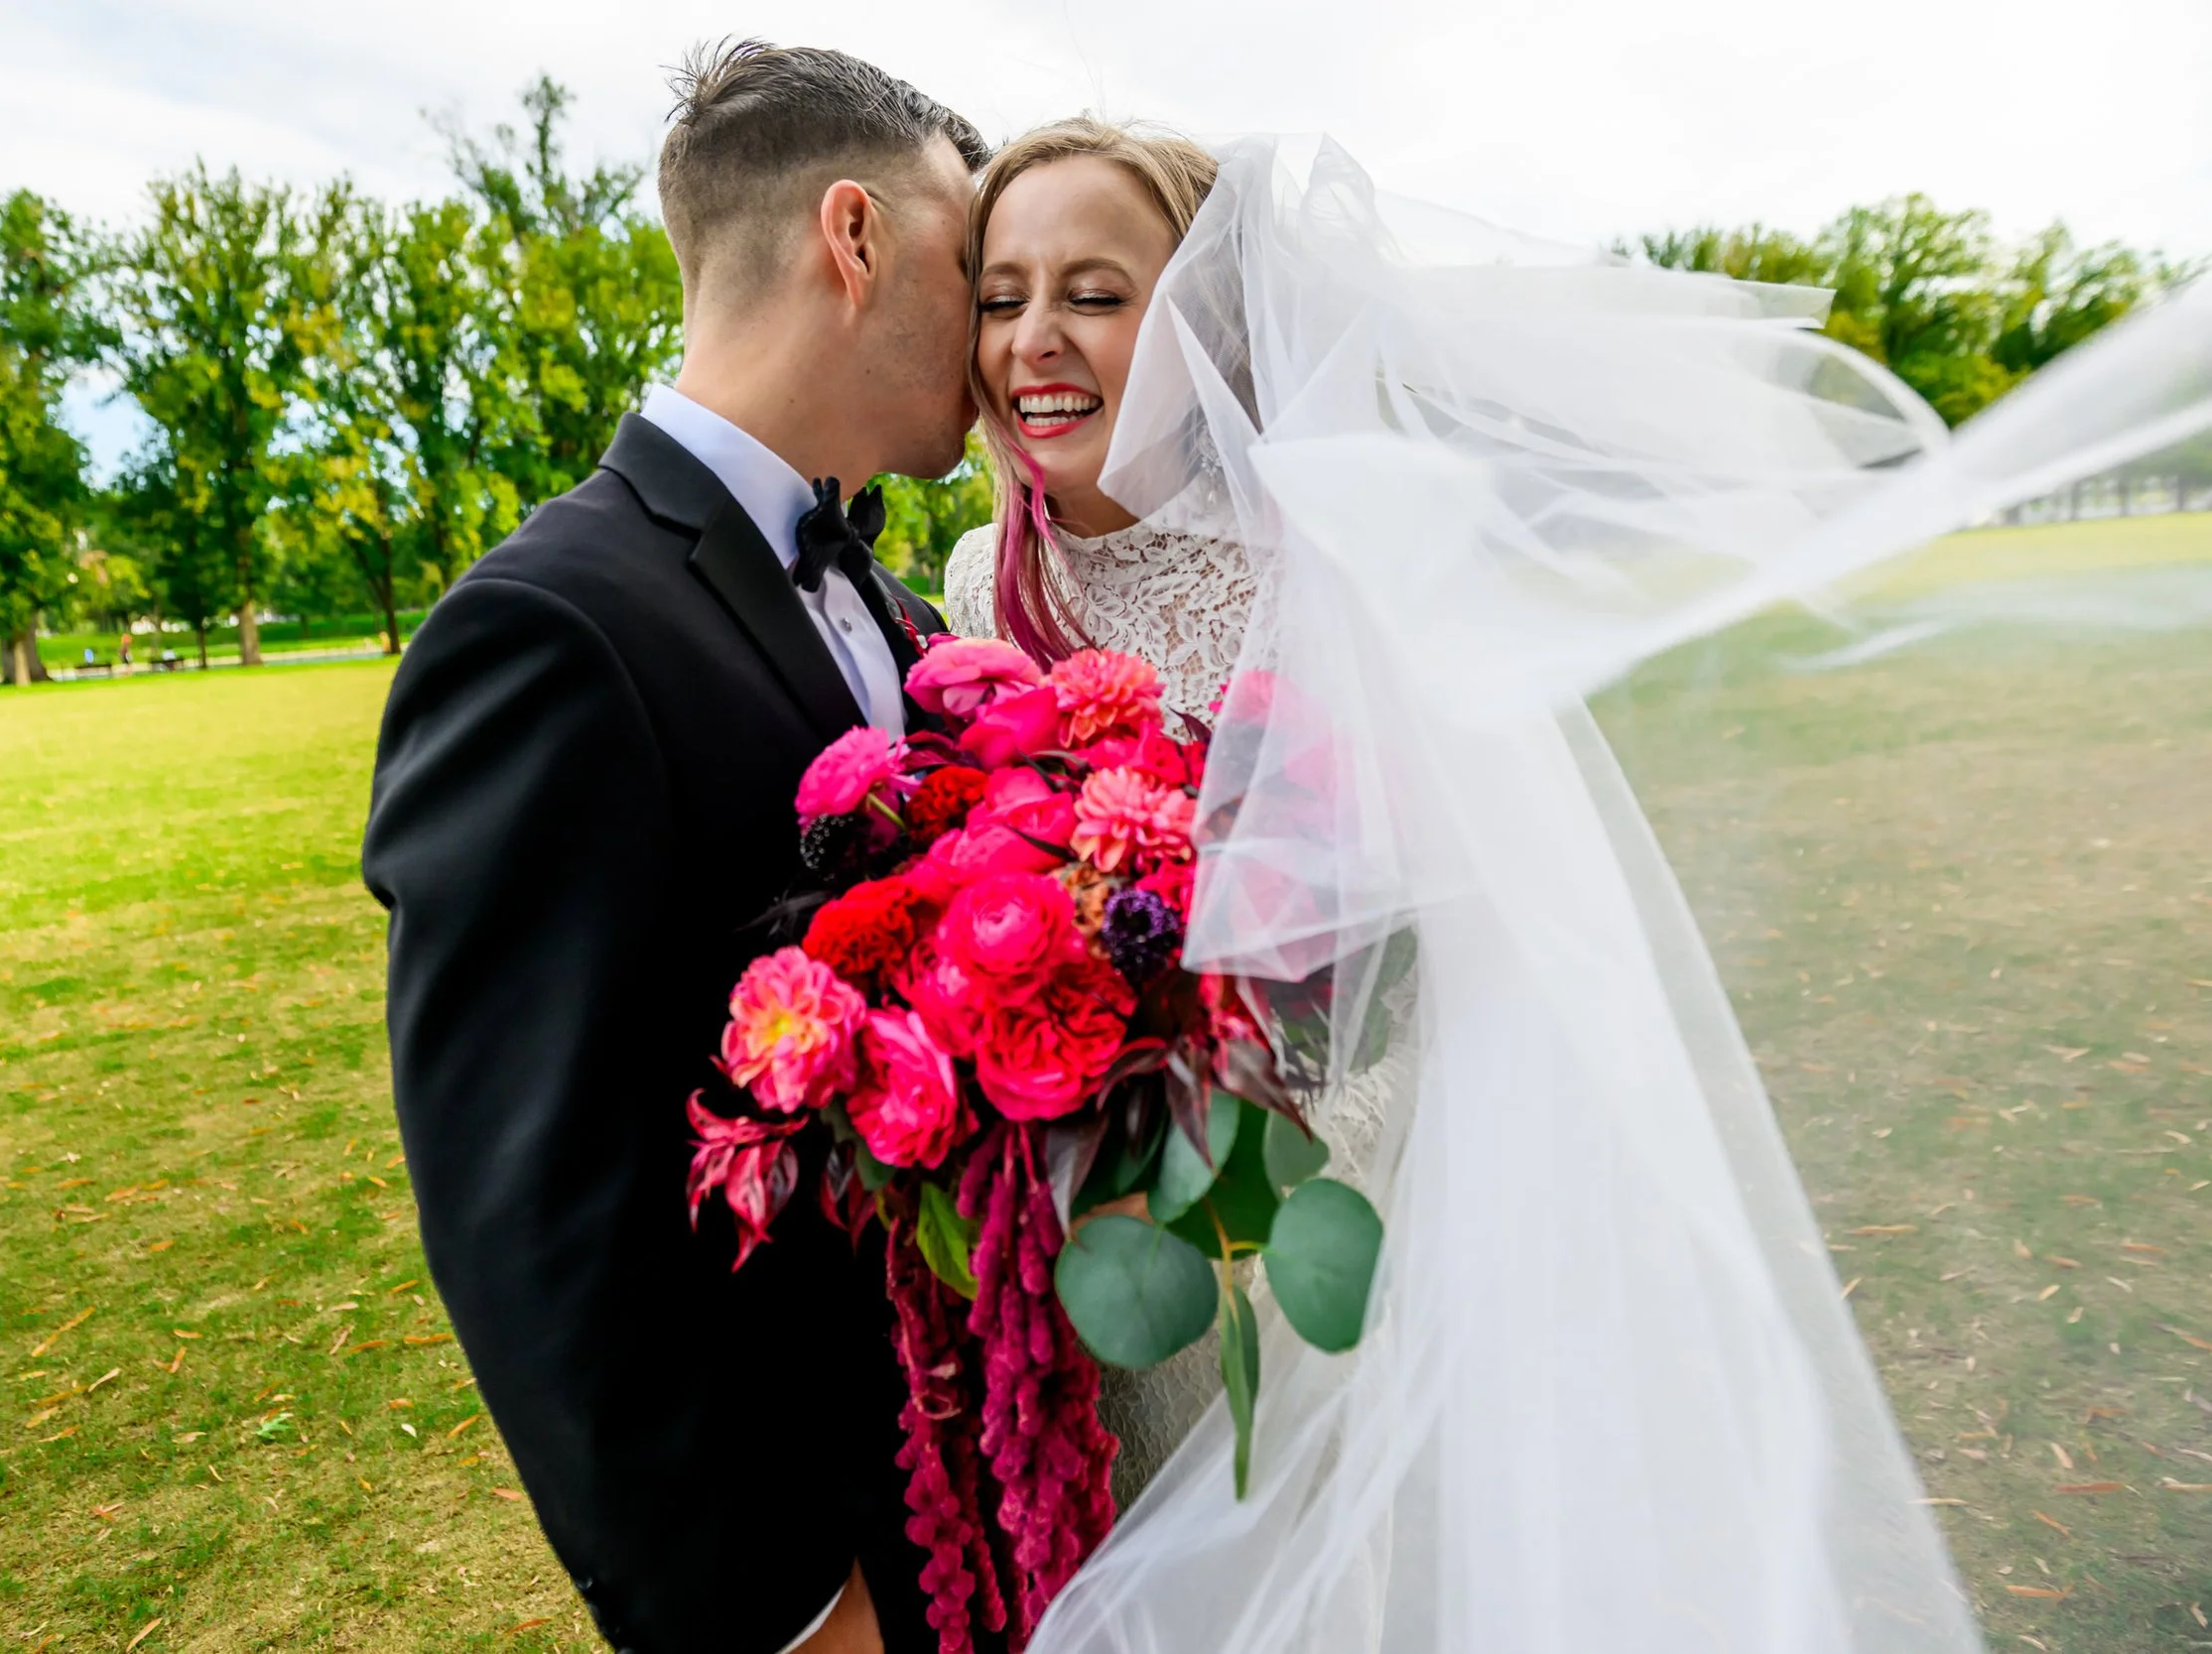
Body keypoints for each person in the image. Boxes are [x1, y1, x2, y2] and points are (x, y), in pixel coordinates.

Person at [941, 116, 2212, 1654]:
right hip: (1068, 1256)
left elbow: (1438, 952)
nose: (1035, 341)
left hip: (1298, 1229)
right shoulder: (974, 580)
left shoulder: (1326, 571)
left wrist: (1236, 1179)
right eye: (1002, 294)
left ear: (1202, 318)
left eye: (1095, 290)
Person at [362, 41, 984, 1654]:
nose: (998, 333)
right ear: (854, 236)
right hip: (814, 1554)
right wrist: (765, 1612)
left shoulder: (901, 610)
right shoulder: (550, 626)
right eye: (975, 262)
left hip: (967, 1478)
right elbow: (532, 1212)